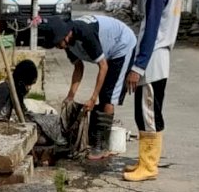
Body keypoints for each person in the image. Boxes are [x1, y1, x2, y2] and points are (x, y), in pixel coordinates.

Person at [123, 0, 182, 182]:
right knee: (151, 110)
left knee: (146, 113)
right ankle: (146, 162)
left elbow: (151, 31)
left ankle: (148, 166)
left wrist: (138, 66)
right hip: (161, 57)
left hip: (152, 59)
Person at [41, 15, 136, 160]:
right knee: (103, 96)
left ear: (65, 35)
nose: (58, 47)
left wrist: (92, 98)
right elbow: (78, 67)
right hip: (109, 50)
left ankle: (102, 146)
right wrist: (70, 96)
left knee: (108, 97)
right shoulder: (68, 43)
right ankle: (94, 140)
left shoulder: (85, 35)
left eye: (57, 43)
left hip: (122, 45)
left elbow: (103, 66)